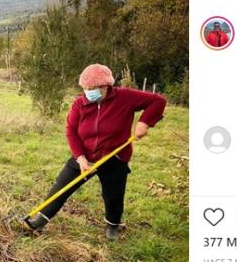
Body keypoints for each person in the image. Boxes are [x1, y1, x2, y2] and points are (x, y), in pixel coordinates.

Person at [24, 64, 167, 240]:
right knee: (61, 187)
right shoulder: (80, 104)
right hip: (85, 156)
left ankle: (112, 226)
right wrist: (81, 158)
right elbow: (71, 131)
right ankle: (40, 220)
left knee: (114, 195)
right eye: (86, 89)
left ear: (106, 86)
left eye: (93, 89)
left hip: (114, 157)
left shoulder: (125, 97)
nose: (88, 92)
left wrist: (144, 122)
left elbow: (158, 101)